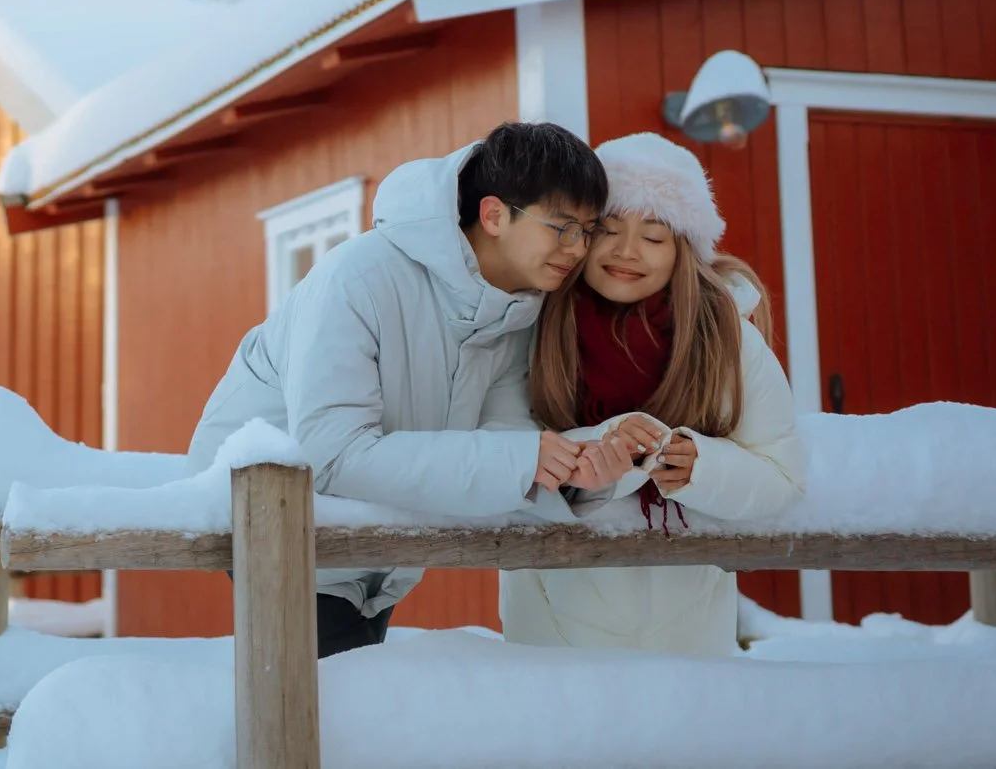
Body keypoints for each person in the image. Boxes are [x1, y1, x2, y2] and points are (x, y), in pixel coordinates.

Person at [187, 121, 619, 657]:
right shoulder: (358, 278)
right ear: (494, 214)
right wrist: (519, 458)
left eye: (588, 230)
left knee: (344, 712)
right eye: (562, 227)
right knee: (320, 714)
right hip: (283, 521)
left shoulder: (516, 309)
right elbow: (332, 452)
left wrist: (568, 473)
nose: (578, 248)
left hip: (377, 536)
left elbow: (503, 431)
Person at [499, 131, 805, 656]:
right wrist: (594, 452)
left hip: (686, 625)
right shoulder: (530, 325)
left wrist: (700, 467)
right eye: (609, 230)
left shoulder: (726, 339)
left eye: (654, 236)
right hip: (553, 621)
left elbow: (782, 475)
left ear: (683, 249)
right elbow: (497, 448)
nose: (626, 252)